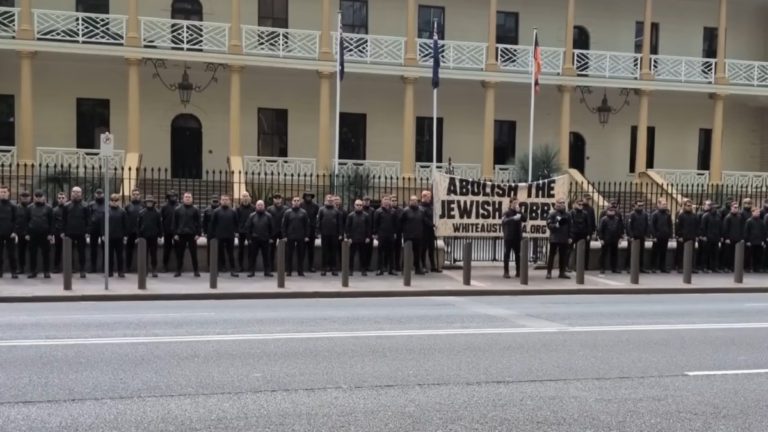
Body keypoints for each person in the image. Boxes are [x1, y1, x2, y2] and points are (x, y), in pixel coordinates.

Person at [62, 187, 90, 278]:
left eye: (78, 192)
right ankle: (70, 269)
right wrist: (63, 231)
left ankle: (82, 270)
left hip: (81, 232)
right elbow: (64, 220)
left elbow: (88, 220)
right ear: (71, 193)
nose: (76, 194)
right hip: (69, 233)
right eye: (74, 192)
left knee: (82, 252)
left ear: (81, 194)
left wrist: (87, 232)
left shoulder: (85, 206)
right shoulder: (66, 206)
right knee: (69, 252)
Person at [26, 191, 54, 279]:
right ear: (34, 197)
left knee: (46, 254)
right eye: (36, 196)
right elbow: (26, 221)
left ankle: (46, 271)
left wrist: (50, 234)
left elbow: (52, 222)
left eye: (40, 196)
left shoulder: (49, 208)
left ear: (44, 197)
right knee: (32, 254)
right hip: (33, 234)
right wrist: (27, 233)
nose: (38, 198)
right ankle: (33, 271)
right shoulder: (29, 208)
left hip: (45, 234)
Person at [210, 194, 239, 277]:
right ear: (220, 201)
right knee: (219, 253)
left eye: (226, 199)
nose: (225, 201)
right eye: (223, 199)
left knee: (231, 253)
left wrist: (236, 232)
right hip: (219, 236)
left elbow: (236, 223)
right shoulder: (216, 211)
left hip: (230, 236)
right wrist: (214, 235)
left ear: (229, 201)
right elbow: (213, 224)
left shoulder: (233, 211)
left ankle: (233, 270)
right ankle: (219, 269)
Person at [173, 192, 201, 277]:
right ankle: (178, 270)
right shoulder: (177, 209)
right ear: (183, 198)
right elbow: (174, 223)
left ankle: (196, 271)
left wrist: (198, 234)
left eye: (189, 197)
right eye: (186, 197)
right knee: (180, 254)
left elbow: (199, 223)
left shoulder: (195, 209)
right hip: (181, 235)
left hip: (192, 235)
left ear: (192, 199)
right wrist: (175, 234)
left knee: (194, 254)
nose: (188, 198)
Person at [282, 196, 309, 277]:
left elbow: (307, 225)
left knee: (301, 255)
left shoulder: (304, 212)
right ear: (292, 202)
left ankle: (300, 271)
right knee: (289, 255)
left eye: (298, 200)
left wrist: (306, 235)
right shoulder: (287, 212)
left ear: (300, 202)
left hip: (301, 237)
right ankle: (288, 271)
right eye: (295, 200)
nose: (296, 202)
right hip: (290, 237)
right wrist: (284, 236)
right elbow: (283, 225)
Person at [245, 200, 273, 278]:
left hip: (265, 240)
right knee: (252, 257)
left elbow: (271, 228)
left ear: (264, 206)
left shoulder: (268, 216)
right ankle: (251, 271)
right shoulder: (252, 216)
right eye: (258, 205)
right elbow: (248, 228)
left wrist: (270, 237)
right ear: (256, 206)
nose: (260, 206)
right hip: (254, 240)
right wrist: (249, 239)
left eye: (261, 205)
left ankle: (267, 271)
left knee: (266, 257)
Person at [546, 198, 572, 279]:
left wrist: (570, 237)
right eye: (560, 203)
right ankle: (549, 272)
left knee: (563, 256)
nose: (562, 204)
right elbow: (549, 225)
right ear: (557, 204)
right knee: (551, 256)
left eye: (563, 203)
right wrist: (555, 225)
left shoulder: (568, 215)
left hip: (564, 238)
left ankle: (562, 272)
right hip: (555, 238)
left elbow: (570, 227)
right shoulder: (552, 214)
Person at [317, 195, 343, 276]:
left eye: (331, 200)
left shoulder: (336, 210)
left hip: (334, 234)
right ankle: (323, 269)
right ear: (325, 200)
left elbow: (339, 223)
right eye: (328, 199)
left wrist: (340, 234)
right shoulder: (321, 210)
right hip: (324, 234)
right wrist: (318, 232)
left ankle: (334, 269)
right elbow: (318, 221)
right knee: (324, 252)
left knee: (333, 252)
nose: (330, 201)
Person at [400, 196, 426, 275]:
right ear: (409, 201)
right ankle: (404, 269)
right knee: (406, 254)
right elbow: (401, 222)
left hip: (418, 236)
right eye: (412, 200)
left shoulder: (421, 211)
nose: (413, 202)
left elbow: (424, 222)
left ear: (417, 201)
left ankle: (417, 269)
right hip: (408, 236)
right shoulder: (405, 211)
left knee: (417, 254)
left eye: (415, 200)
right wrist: (403, 232)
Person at [103, 193, 127, 278]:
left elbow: (125, 224)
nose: (114, 202)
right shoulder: (106, 211)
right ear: (110, 201)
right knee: (109, 255)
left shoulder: (122, 211)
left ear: (119, 201)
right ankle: (110, 271)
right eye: (112, 200)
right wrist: (103, 234)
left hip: (119, 236)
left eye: (116, 200)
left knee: (120, 255)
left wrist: (125, 236)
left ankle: (120, 271)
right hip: (109, 236)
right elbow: (103, 224)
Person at [502, 198, 527, 279]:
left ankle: (518, 271)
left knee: (518, 255)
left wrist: (519, 211)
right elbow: (504, 221)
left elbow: (524, 219)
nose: (516, 205)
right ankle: (506, 272)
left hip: (517, 236)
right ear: (510, 204)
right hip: (509, 236)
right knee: (507, 255)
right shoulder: (507, 212)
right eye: (514, 203)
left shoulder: (518, 212)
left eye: (517, 203)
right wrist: (513, 218)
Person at [138, 195, 162, 277]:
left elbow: (160, 225)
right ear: (145, 203)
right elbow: (138, 225)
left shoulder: (157, 212)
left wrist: (160, 236)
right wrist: (139, 236)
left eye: (150, 202)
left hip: (154, 236)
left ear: (153, 203)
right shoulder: (141, 213)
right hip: (144, 236)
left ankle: (154, 269)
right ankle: (145, 270)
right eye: (148, 202)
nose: (149, 203)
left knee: (153, 254)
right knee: (144, 254)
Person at [374, 195, 398, 276]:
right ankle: (379, 269)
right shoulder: (378, 211)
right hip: (381, 235)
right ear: (382, 201)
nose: (386, 201)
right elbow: (375, 224)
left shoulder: (393, 211)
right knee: (380, 253)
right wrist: (376, 234)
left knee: (391, 253)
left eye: (388, 199)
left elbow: (395, 224)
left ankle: (391, 269)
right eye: (385, 199)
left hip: (391, 235)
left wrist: (395, 233)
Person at [346, 199, 372, 276]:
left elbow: (368, 228)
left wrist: (368, 237)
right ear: (354, 206)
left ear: (362, 206)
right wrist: (348, 237)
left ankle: (363, 270)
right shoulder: (350, 215)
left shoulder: (366, 215)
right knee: (351, 256)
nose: (359, 206)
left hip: (363, 239)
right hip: (353, 239)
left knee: (363, 256)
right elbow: (347, 228)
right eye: (357, 205)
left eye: (360, 205)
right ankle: (350, 270)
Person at [675, 199, 699, 273]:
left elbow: (697, 226)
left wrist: (697, 235)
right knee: (681, 253)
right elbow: (678, 227)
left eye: (691, 206)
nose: (690, 207)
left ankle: (692, 267)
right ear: (684, 206)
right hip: (683, 237)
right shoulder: (681, 215)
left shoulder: (694, 215)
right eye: (688, 205)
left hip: (692, 236)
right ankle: (680, 267)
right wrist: (679, 236)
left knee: (692, 253)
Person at [598, 206, 624, 274]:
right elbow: (600, 230)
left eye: (613, 211)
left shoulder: (617, 219)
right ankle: (602, 268)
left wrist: (620, 237)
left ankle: (614, 268)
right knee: (603, 254)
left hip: (614, 239)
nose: (611, 212)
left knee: (614, 254)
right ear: (607, 212)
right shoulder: (604, 219)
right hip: (606, 239)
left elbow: (620, 229)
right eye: (610, 211)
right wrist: (601, 239)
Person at [0, 185, 19, 279]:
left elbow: (16, 220)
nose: (3, 194)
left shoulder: (13, 206)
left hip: (10, 234)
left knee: (11, 254)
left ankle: (14, 271)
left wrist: (14, 232)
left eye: (4, 192)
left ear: (8, 193)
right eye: (1, 192)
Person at [627, 200, 650, 273]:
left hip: (641, 236)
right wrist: (631, 236)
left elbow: (647, 225)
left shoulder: (645, 214)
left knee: (641, 252)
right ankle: (629, 267)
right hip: (634, 237)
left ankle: (640, 267)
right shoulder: (632, 214)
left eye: (642, 205)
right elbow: (629, 226)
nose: (641, 207)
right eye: (639, 205)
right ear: (635, 206)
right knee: (631, 252)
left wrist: (646, 234)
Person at [650, 199, 673, 273]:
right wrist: (654, 236)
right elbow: (652, 226)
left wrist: (670, 234)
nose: (665, 206)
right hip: (657, 236)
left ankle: (662, 267)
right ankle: (653, 266)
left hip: (665, 236)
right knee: (655, 252)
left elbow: (670, 225)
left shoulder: (667, 214)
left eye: (665, 204)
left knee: (663, 252)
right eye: (663, 204)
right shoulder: (655, 214)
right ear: (658, 205)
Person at [124, 188, 143, 272]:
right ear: (131, 196)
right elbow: (124, 219)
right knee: (129, 251)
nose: (135, 196)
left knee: (143, 251)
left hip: (141, 232)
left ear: (140, 195)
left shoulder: (143, 205)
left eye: (137, 194)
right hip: (130, 232)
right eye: (134, 194)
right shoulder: (128, 206)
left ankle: (142, 268)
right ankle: (128, 267)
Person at [420, 190, 440, 272]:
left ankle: (433, 266)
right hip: (424, 231)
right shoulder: (421, 207)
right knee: (423, 249)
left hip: (431, 232)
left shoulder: (431, 207)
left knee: (431, 249)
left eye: (430, 197)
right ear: (424, 197)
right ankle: (423, 266)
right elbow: (424, 219)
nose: (430, 199)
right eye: (428, 197)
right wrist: (432, 224)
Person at [722, 203, 745, 272]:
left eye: (737, 207)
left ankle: (734, 267)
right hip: (730, 239)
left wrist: (741, 238)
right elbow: (725, 228)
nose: (736, 209)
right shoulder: (728, 217)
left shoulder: (739, 217)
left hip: (737, 238)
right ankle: (727, 267)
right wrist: (726, 238)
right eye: (734, 207)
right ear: (731, 208)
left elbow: (742, 228)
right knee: (728, 254)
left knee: (736, 254)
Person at [700, 203, 723, 273]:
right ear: (711, 208)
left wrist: (721, 236)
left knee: (715, 253)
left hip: (716, 237)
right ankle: (704, 267)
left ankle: (714, 267)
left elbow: (720, 227)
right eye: (714, 208)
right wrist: (703, 236)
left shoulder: (718, 216)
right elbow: (703, 227)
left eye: (716, 208)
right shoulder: (705, 216)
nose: (715, 209)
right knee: (706, 253)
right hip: (708, 237)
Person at [88, 189, 106, 273]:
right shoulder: (91, 204)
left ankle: (104, 268)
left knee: (105, 249)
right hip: (93, 229)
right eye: (97, 193)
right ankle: (93, 267)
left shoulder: (107, 204)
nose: (99, 195)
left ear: (103, 194)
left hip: (104, 230)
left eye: (100, 193)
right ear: (95, 194)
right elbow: (88, 217)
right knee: (93, 249)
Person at [569, 199, 590, 272]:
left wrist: (587, 234)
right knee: (569, 250)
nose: (581, 206)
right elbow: (569, 224)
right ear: (575, 204)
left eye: (582, 205)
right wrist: (569, 235)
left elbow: (587, 224)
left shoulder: (585, 213)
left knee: (580, 251)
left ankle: (578, 266)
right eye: (579, 204)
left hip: (582, 234)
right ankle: (568, 266)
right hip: (573, 233)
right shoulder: (571, 213)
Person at [236, 192, 255, 273]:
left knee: (251, 250)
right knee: (240, 250)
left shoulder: (253, 208)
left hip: (251, 232)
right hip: (241, 232)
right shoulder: (238, 208)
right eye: (243, 196)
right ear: (241, 198)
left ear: (249, 197)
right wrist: (236, 231)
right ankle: (240, 267)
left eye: (246, 196)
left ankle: (250, 267)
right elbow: (236, 220)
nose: (245, 198)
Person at [301, 192, 319, 273]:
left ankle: (311, 266)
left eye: (310, 196)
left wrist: (316, 231)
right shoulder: (301, 205)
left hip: (311, 230)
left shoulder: (315, 206)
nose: (308, 197)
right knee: (301, 250)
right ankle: (300, 267)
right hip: (302, 230)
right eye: (307, 196)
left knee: (311, 250)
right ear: (304, 197)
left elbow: (316, 219)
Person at [267, 194, 287, 269]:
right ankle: (271, 266)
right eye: (276, 198)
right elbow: (267, 221)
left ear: (281, 200)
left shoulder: (286, 209)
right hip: (273, 232)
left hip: (282, 232)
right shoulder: (269, 209)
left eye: (279, 198)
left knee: (284, 250)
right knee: (271, 250)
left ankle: (284, 266)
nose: (277, 200)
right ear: (273, 200)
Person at [744, 208, 767, 273]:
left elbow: (764, 232)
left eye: (758, 212)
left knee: (758, 256)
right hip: (751, 241)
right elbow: (746, 232)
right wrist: (747, 241)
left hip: (759, 241)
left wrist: (763, 241)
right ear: (752, 213)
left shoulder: (761, 222)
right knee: (749, 256)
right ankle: (748, 268)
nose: (758, 213)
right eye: (756, 212)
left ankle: (757, 268)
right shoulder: (749, 221)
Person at [161, 191, 178, 272]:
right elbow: (161, 219)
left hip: (177, 231)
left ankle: (179, 266)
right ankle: (165, 265)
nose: (173, 198)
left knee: (178, 249)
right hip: (167, 231)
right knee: (166, 249)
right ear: (168, 197)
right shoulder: (164, 207)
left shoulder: (178, 206)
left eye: (174, 196)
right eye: (171, 196)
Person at [15, 191, 31, 275]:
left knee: (32, 251)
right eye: (23, 197)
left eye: (26, 197)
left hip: (30, 233)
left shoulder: (32, 207)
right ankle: (21, 268)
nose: (25, 198)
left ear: (29, 198)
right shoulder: (16, 207)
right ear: (20, 197)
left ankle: (32, 269)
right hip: (20, 233)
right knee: (20, 251)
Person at [52, 192, 67, 273]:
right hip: (58, 234)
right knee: (57, 251)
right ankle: (56, 267)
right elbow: (53, 223)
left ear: (66, 199)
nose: (61, 199)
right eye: (59, 198)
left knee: (69, 251)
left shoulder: (69, 208)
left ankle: (70, 267)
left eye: (63, 198)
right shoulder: (54, 210)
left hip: (68, 233)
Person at [390, 195, 403, 271]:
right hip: (390, 233)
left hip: (398, 233)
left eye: (395, 200)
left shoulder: (401, 210)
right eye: (392, 200)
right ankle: (390, 266)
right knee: (390, 250)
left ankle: (397, 265)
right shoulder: (388, 210)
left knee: (398, 250)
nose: (394, 202)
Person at [362, 196, 374, 272]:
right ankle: (362, 266)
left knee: (369, 251)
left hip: (370, 233)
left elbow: (374, 222)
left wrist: (373, 233)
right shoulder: (360, 209)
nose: (366, 202)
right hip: (361, 233)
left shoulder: (372, 210)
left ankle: (368, 266)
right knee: (362, 251)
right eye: (365, 200)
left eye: (368, 200)